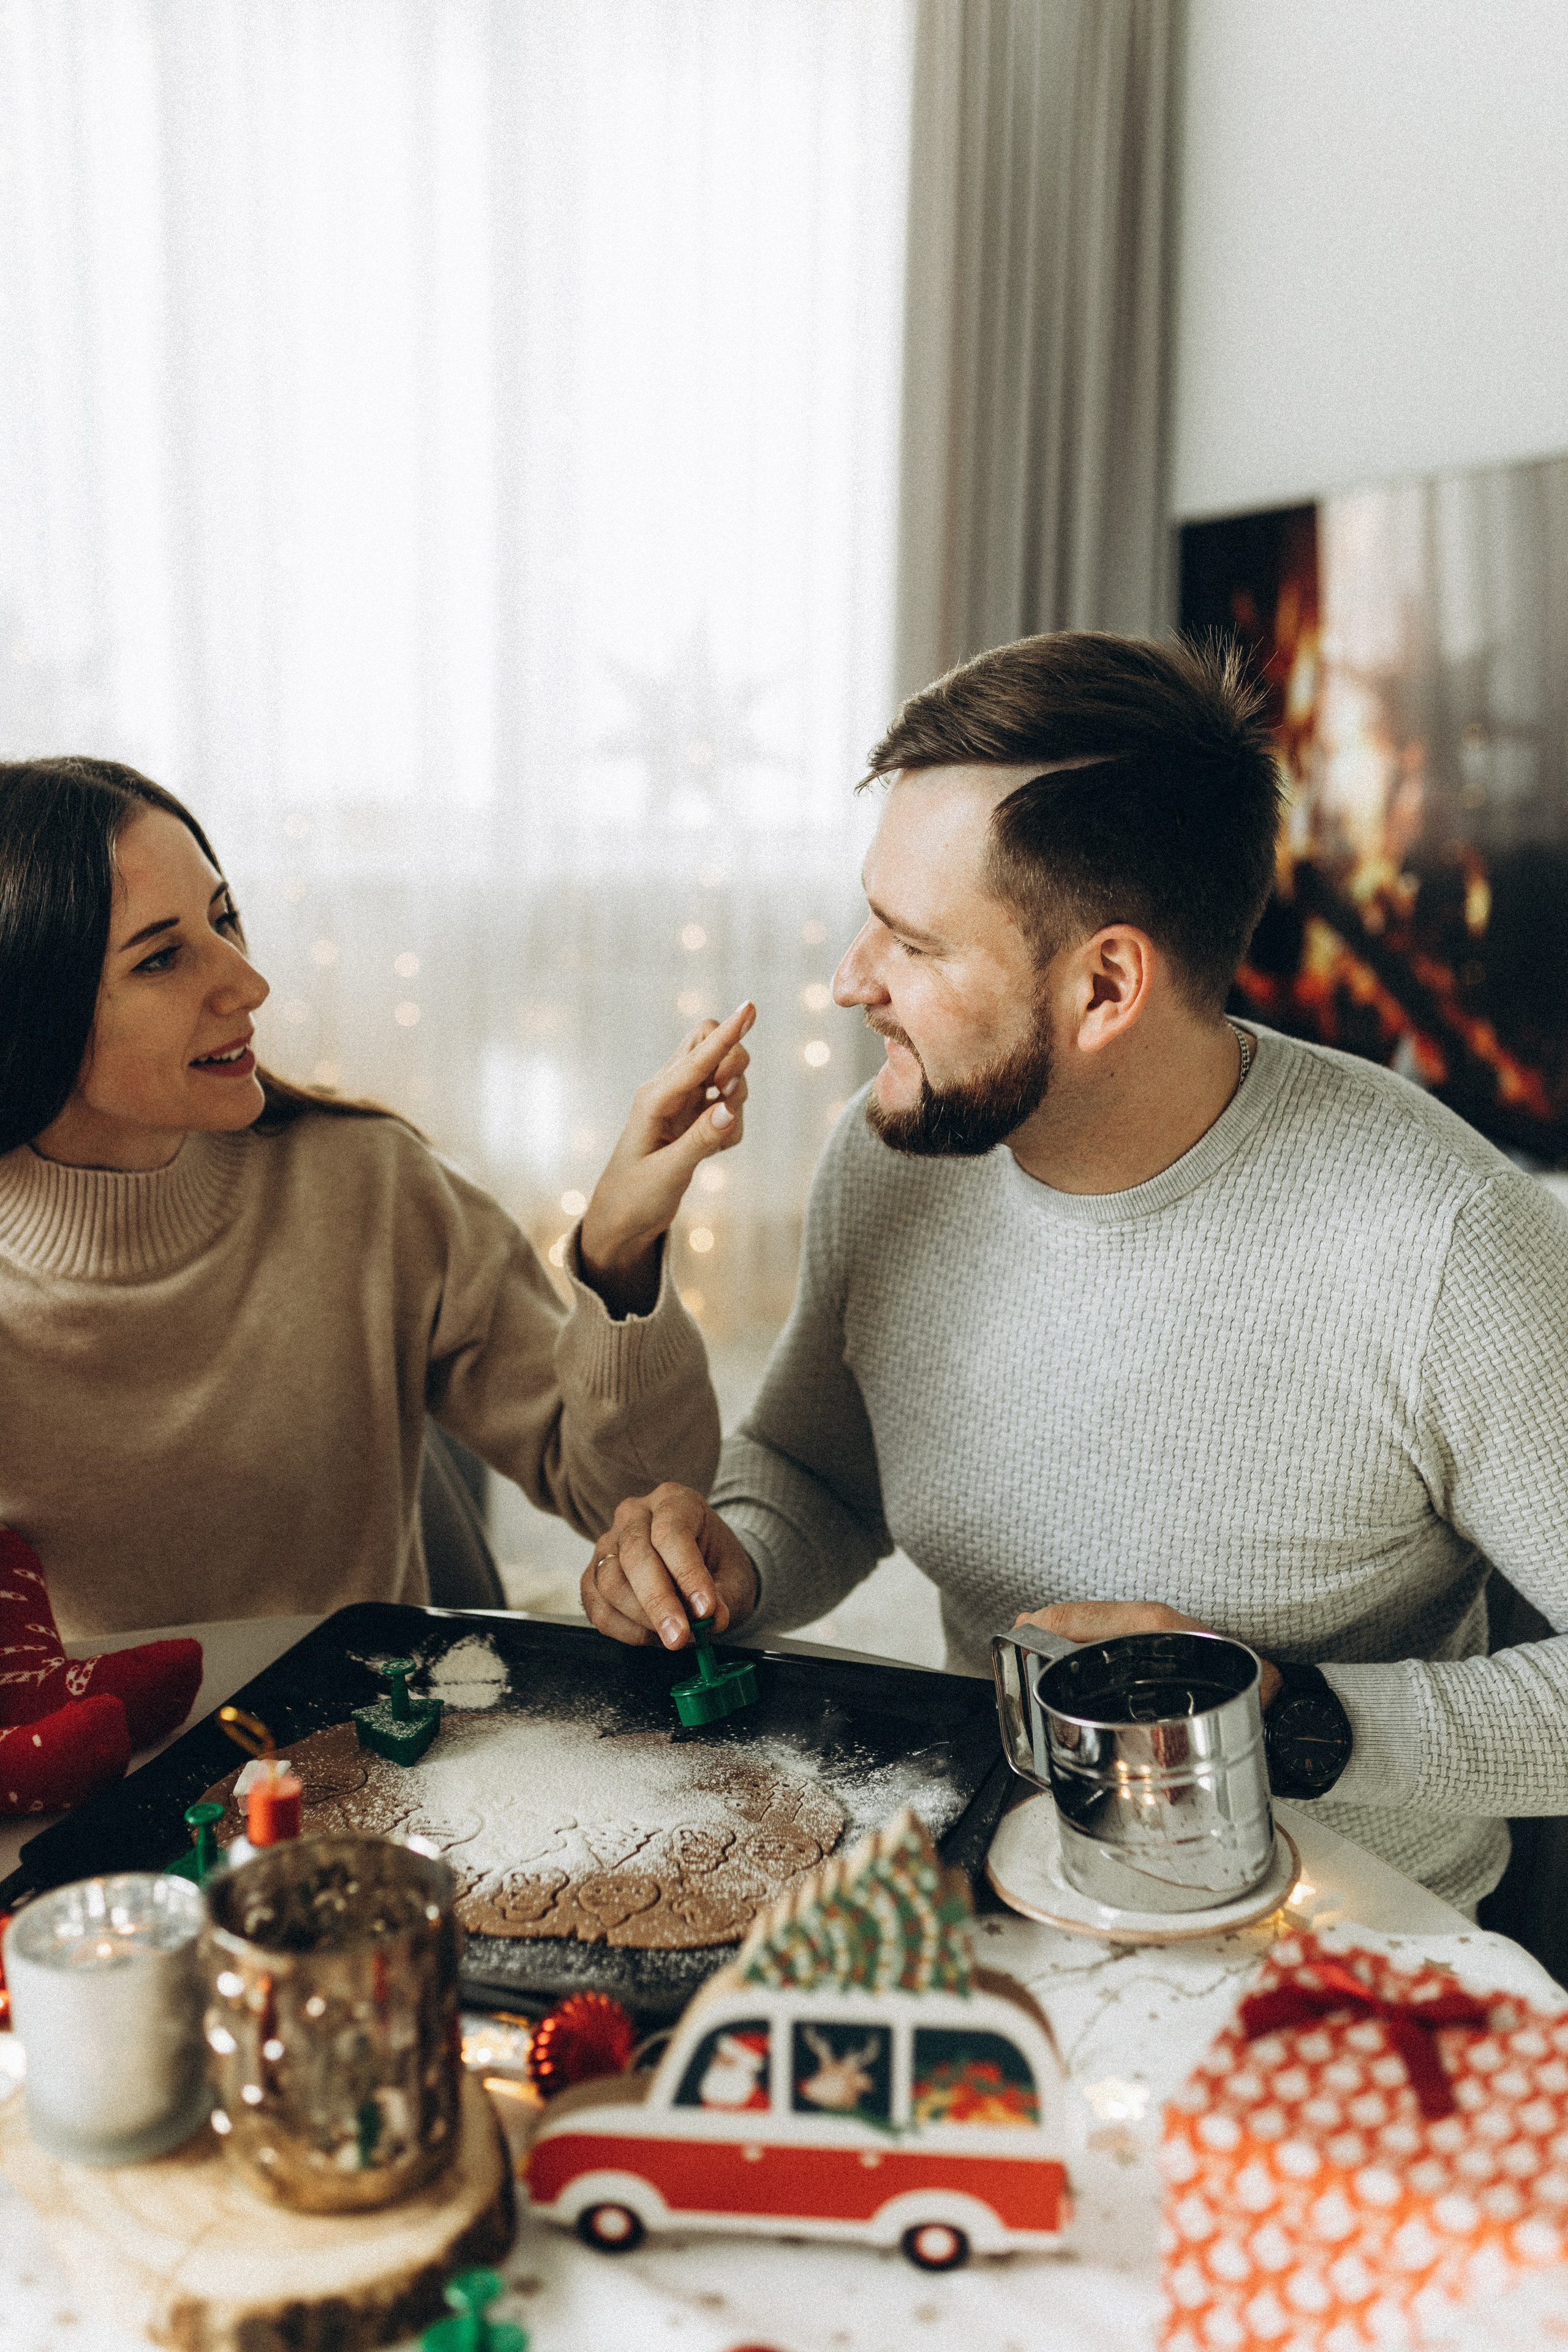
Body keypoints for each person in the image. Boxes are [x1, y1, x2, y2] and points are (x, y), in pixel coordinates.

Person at [581, 631, 1568, 1913]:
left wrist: (1295, 1723)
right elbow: (818, 1472)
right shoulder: (895, 1157)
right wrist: (726, 1562)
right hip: (988, 1894)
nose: (846, 981)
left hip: (1341, 1954)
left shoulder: (1448, 1242)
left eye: (913, 945)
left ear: (1104, 984)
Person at [0, 756, 750, 1635]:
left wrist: (620, 1252)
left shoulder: (369, 1185)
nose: (248, 983)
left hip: (370, 1754)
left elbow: (627, 1498)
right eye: (163, 957)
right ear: (33, 1004)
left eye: (224, 918)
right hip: (93, 1774)